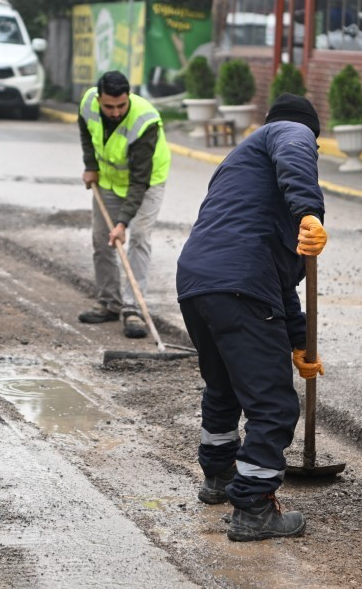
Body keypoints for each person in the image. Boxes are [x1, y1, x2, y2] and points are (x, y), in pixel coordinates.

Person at [176, 94, 329, 542]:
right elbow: (296, 150)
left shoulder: (238, 169)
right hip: (239, 282)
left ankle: (220, 476)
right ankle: (254, 507)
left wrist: (299, 341)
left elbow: (280, 279)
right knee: (274, 405)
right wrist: (310, 211)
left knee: (223, 388)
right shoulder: (289, 132)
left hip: (199, 281)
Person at [76, 71, 171, 339]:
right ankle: (109, 302)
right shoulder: (87, 103)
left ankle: (132, 309)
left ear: (128, 97)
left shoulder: (145, 121)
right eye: (109, 106)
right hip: (108, 179)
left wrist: (122, 224)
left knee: (139, 236)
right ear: (98, 99)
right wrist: (90, 166)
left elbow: (139, 181)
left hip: (147, 182)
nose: (116, 112)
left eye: (121, 105)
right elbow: (85, 130)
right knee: (100, 239)